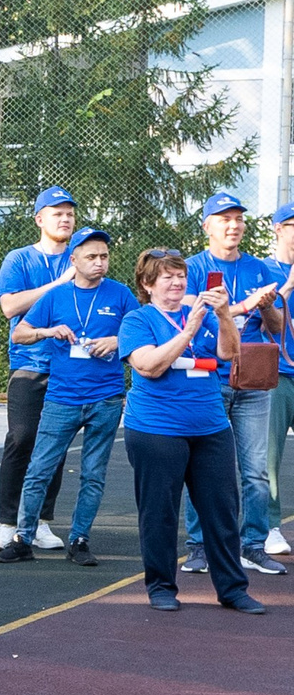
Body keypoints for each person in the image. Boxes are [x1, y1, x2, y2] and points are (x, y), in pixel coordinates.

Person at [119, 248, 264, 615]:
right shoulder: (138, 320)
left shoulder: (203, 314)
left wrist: (222, 314)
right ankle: (161, 587)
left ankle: (232, 589)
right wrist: (187, 333)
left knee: (222, 511)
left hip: (210, 426)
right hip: (156, 429)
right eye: (167, 276)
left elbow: (230, 353)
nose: (177, 282)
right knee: (159, 512)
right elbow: (149, 366)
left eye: (180, 275)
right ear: (147, 284)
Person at [0, 227, 131, 566]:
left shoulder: (121, 294)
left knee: (93, 473)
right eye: (91, 257)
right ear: (74, 260)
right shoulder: (56, 296)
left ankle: (79, 538)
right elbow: (22, 332)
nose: (99, 263)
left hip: (106, 398)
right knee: (40, 467)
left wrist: (116, 341)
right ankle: (22, 537)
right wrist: (47, 331)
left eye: (104, 256)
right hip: (62, 397)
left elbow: (141, 332)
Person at [183, 191, 287, 576]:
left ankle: (254, 545)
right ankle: (199, 545)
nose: (233, 225)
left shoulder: (260, 268)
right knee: (204, 465)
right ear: (207, 225)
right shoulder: (192, 267)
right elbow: (192, 317)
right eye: (224, 219)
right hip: (210, 377)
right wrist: (242, 306)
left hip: (253, 381)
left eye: (239, 219)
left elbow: (276, 328)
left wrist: (266, 306)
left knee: (257, 469)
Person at [0, 187, 78, 551]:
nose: (65, 218)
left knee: (54, 444)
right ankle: (6, 522)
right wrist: (58, 284)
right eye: (57, 212)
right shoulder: (19, 259)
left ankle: (40, 521)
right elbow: (10, 307)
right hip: (28, 364)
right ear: (40, 219)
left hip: (68, 367)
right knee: (22, 438)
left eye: (70, 212)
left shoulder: (82, 257)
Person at [270, 202, 294, 557]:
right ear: (277, 229)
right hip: (276, 374)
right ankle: (269, 527)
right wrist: (288, 286)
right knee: (268, 458)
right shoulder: (263, 271)